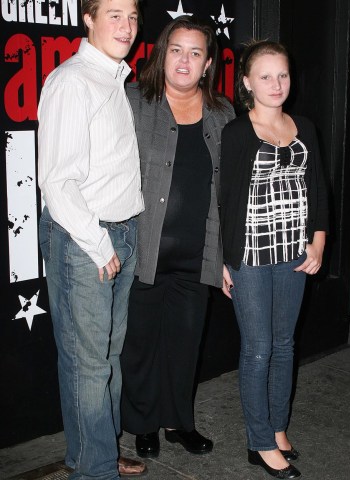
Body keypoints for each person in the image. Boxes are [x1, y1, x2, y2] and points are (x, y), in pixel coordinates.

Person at [37, 0, 147, 477]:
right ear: (89, 18)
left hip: (121, 231)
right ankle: (93, 468)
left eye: (133, 16)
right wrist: (100, 246)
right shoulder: (71, 82)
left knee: (107, 358)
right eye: (115, 15)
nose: (126, 26)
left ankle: (100, 450)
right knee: (87, 364)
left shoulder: (114, 78)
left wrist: (127, 234)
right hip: (86, 240)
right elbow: (58, 183)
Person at [120, 15, 235, 458]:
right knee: (141, 345)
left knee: (185, 344)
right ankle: (143, 424)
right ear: (162, 53)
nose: (184, 61)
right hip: (144, 249)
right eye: (176, 50)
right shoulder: (134, 101)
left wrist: (227, 255)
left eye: (195, 52)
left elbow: (230, 188)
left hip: (198, 252)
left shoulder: (223, 113)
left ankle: (178, 422)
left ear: (208, 63)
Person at [220, 40, 329, 479]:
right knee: (259, 348)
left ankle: (278, 427)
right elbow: (224, 201)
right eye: (265, 76)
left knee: (285, 345)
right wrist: (222, 262)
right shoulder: (236, 132)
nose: (276, 84)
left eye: (282, 75)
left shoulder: (304, 125)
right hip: (249, 257)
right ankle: (260, 441)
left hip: (293, 255)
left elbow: (319, 190)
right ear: (247, 82)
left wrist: (318, 242)